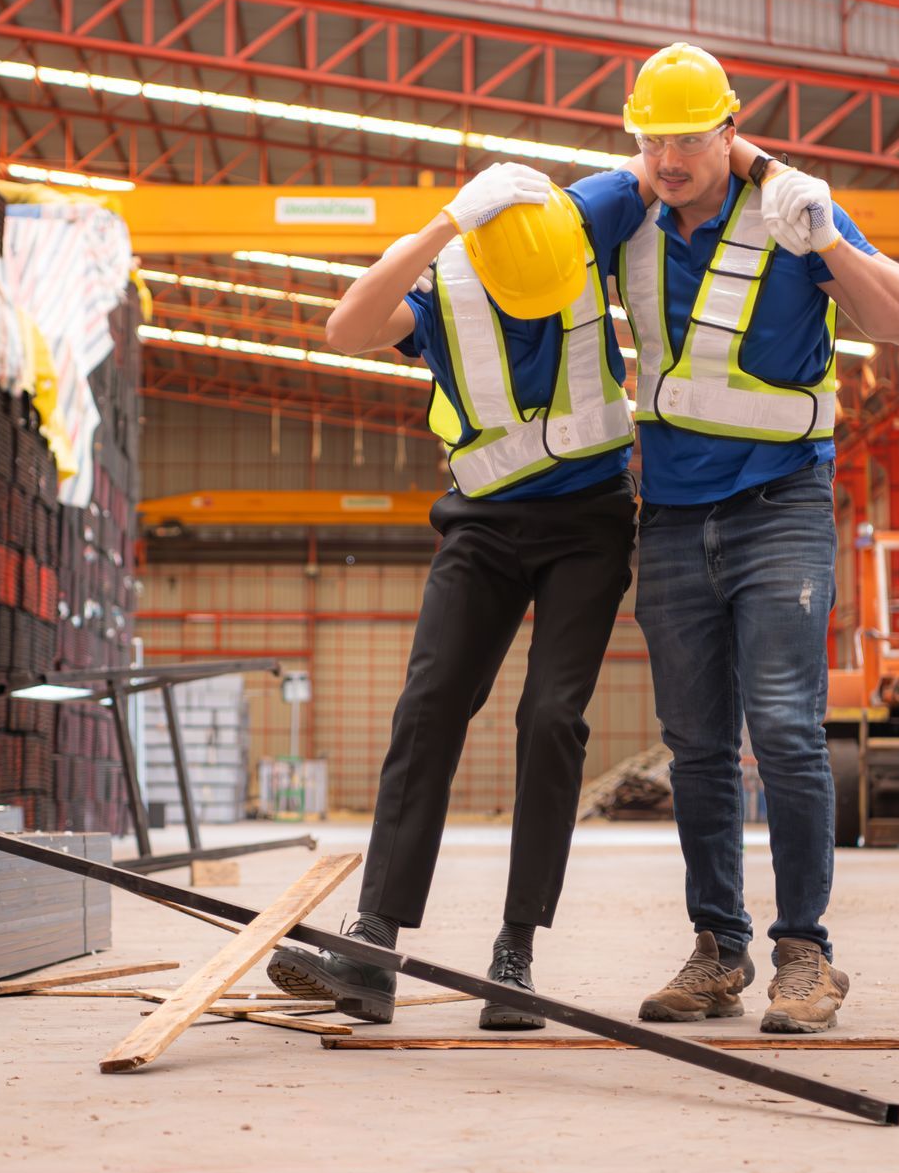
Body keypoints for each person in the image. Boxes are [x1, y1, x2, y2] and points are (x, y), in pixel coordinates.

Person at [264, 161, 646, 1029]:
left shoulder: (586, 213)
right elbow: (345, 326)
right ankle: (371, 946)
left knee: (551, 717)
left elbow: (669, 160)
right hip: (483, 525)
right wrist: (440, 226)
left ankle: (515, 953)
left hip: (589, 521)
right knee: (429, 705)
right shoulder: (447, 285)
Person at [611, 44, 899, 1033]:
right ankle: (717, 949)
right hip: (668, 514)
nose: (670, 156)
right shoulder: (630, 218)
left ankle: (806, 952)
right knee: (697, 744)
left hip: (779, 505)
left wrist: (828, 236)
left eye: (689, 137)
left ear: (729, 128)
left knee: (785, 730)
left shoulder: (791, 212)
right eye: (652, 136)